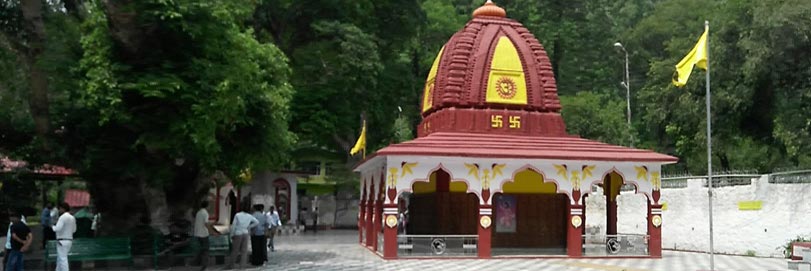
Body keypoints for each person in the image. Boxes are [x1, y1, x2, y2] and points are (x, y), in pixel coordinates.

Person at [226, 203, 258, 270]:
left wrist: (231, 234)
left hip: (238, 233)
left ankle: (231, 265)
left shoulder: (237, 215)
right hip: (245, 233)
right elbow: (256, 222)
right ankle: (242, 266)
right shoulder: (249, 216)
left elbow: (233, 225)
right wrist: (249, 227)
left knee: (235, 250)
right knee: (244, 251)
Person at [192, 201, 219, 271]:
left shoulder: (199, 212)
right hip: (203, 234)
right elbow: (206, 224)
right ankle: (204, 266)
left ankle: (195, 262)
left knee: (202, 249)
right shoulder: (205, 213)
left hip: (198, 233)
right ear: (207, 206)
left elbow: (203, 222)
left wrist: (212, 223)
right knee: (206, 250)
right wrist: (213, 233)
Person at [52, 202, 76, 271]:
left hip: (62, 240)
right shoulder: (72, 217)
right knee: (60, 258)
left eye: (59, 209)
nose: (59, 210)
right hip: (69, 240)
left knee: (62, 258)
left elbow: (57, 228)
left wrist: (53, 227)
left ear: (63, 209)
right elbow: (74, 230)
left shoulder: (62, 217)